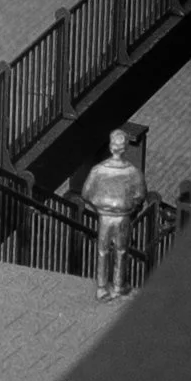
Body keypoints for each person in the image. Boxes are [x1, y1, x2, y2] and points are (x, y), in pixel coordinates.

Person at [83, 128, 147, 301]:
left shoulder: (98, 170)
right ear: (125, 147)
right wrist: (132, 206)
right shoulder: (133, 172)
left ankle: (102, 287)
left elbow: (86, 193)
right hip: (123, 215)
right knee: (121, 250)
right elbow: (140, 195)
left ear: (111, 147)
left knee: (103, 250)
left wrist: (99, 204)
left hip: (105, 215)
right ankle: (118, 285)